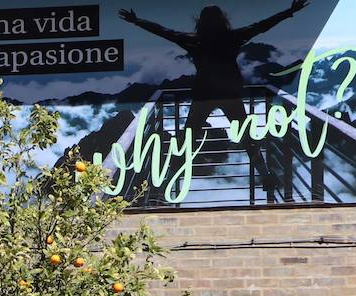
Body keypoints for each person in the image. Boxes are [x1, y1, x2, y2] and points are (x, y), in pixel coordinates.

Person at [117, 1, 310, 203]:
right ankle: (265, 175)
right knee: (246, 137)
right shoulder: (233, 38)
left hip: (203, 96)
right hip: (229, 95)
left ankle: (164, 183)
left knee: (187, 141)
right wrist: (289, 12)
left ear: (200, 22)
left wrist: (137, 21)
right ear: (223, 20)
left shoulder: (194, 41)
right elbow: (262, 26)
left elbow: (164, 31)